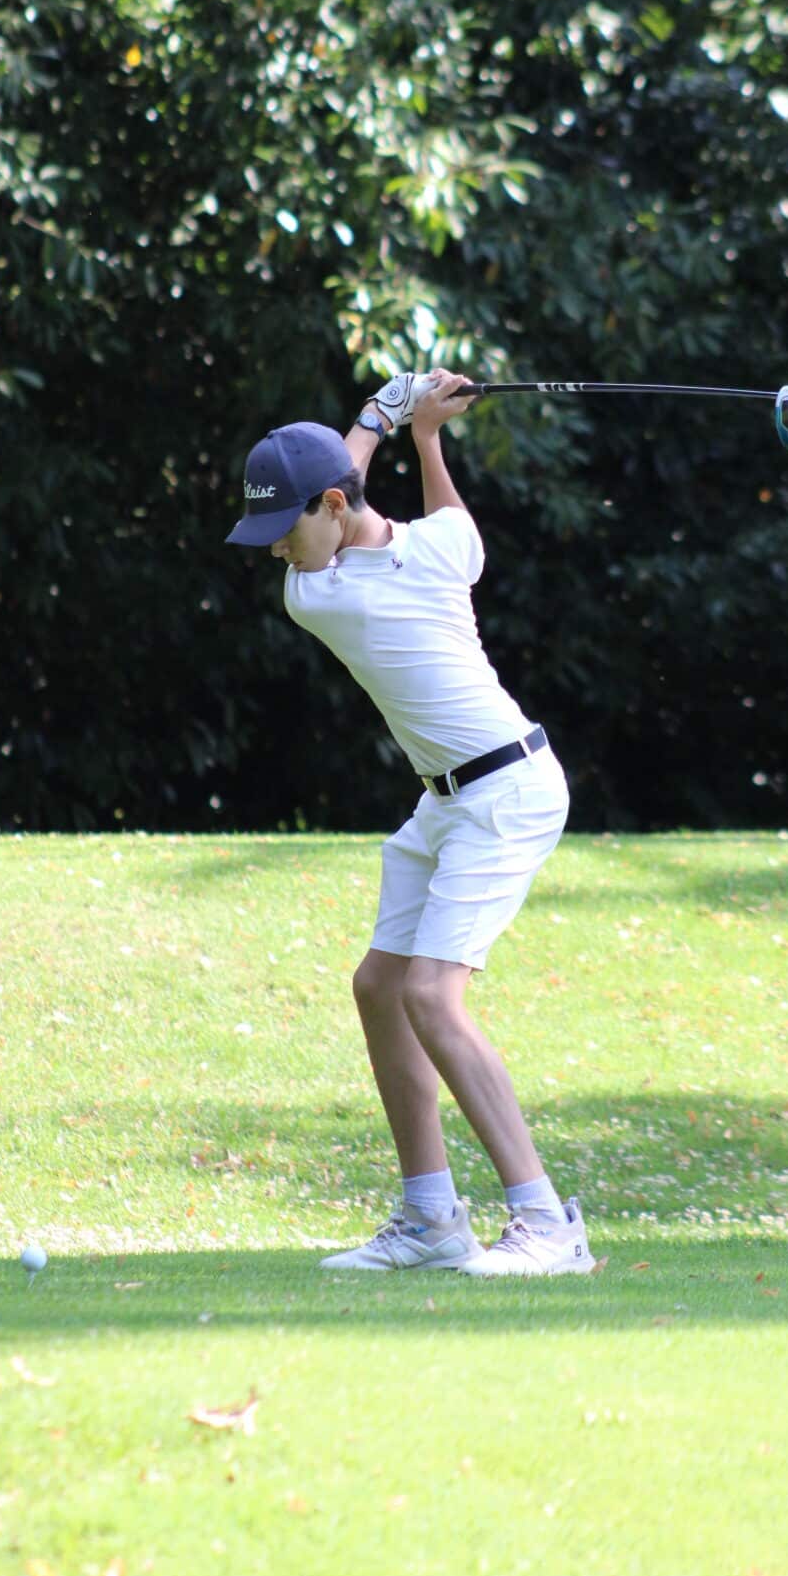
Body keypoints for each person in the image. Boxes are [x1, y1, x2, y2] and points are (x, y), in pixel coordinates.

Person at [225, 368, 594, 1276]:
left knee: (431, 996)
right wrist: (414, 430)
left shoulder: (328, 587)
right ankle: (431, 1219)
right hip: (447, 803)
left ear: (333, 506)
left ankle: (547, 1224)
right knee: (379, 987)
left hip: (509, 794)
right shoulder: (418, 554)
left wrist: (389, 420)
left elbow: (355, 485)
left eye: (284, 530)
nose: (277, 553)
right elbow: (407, 510)